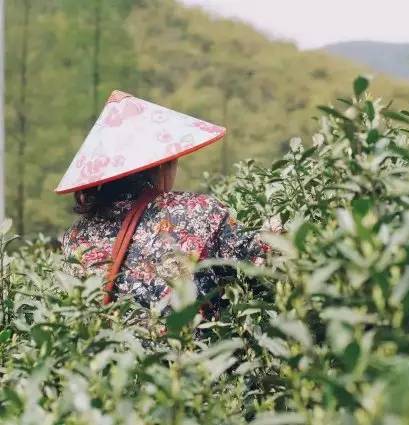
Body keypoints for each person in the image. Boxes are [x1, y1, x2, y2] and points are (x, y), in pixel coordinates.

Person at [57, 90, 270, 317]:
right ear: (161, 165)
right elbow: (264, 269)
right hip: (187, 351)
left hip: (111, 352)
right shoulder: (200, 213)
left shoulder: (74, 237)